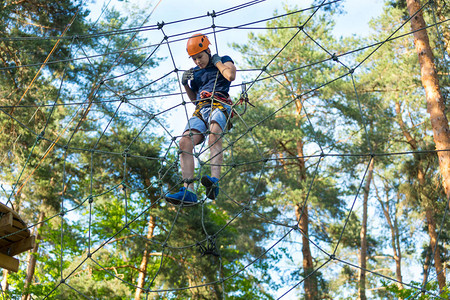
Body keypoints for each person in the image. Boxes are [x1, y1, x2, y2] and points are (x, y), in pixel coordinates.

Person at [166, 33, 236, 205]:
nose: (198, 61)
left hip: (219, 104)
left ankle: (214, 181)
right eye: (194, 59)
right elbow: (194, 100)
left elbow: (230, 76)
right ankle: (188, 191)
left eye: (200, 56)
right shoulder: (196, 74)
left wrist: (217, 62)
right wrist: (185, 85)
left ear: (208, 51)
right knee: (184, 143)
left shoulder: (223, 60)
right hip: (200, 109)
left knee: (214, 135)